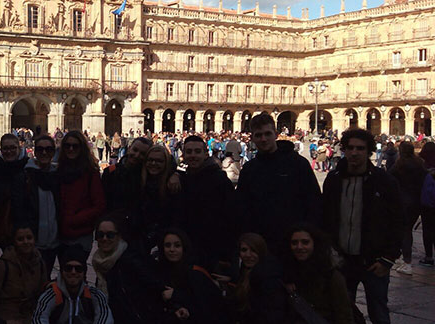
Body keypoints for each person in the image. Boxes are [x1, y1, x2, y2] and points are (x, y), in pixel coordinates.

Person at [323, 127, 403, 324]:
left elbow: (397, 222)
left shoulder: (384, 181)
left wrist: (388, 259)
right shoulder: (334, 180)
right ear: (343, 150)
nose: (355, 153)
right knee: (339, 315)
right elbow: (325, 220)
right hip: (343, 261)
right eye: (350, 148)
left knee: (379, 316)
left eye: (360, 148)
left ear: (369, 151)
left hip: (374, 262)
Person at [237, 113, 322, 254]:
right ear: (252, 138)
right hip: (261, 243)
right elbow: (242, 206)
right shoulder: (249, 169)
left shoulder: (297, 164)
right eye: (258, 135)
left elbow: (313, 201)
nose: (263, 139)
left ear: (276, 134)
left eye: (267, 134)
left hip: (294, 243)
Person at [91, 215, 162, 324]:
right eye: (100, 234)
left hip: (132, 318)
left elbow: (153, 285)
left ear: (119, 236)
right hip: (117, 312)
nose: (104, 238)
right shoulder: (101, 260)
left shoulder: (130, 260)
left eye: (110, 234)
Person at [177, 135, 238, 274]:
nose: (193, 155)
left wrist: (226, 254)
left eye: (197, 151)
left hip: (213, 251)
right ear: (183, 154)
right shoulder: (183, 179)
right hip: (187, 249)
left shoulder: (220, 181)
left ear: (206, 154)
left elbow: (232, 217)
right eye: (189, 152)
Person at [56, 130, 105, 253]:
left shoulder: (90, 173)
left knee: (77, 269)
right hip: (60, 232)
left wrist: (74, 219)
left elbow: (99, 205)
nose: (71, 149)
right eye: (67, 146)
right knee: (65, 269)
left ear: (81, 148)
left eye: (75, 146)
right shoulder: (58, 170)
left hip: (81, 233)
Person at [23, 135, 61, 273]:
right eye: (40, 149)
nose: (44, 153)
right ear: (35, 151)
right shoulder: (25, 175)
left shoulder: (58, 176)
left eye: (49, 149)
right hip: (32, 241)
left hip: (54, 242)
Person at [388, 141, 426, 275]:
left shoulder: (399, 165)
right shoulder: (420, 164)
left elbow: (389, 179)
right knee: (406, 229)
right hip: (417, 202)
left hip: (403, 202)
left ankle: (407, 262)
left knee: (403, 231)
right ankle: (402, 258)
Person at [132, 145, 178, 253]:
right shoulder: (137, 180)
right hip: (139, 238)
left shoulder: (172, 185)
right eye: (150, 160)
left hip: (164, 239)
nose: (153, 164)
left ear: (166, 163)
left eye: (159, 161)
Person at [0, 133, 27, 247]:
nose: (9, 151)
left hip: (23, 224)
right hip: (1, 223)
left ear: (19, 148)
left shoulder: (28, 168)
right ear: (1, 150)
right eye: (5, 148)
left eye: (13, 148)